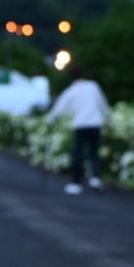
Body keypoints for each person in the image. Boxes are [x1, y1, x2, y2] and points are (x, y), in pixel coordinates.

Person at [45, 63, 109, 195]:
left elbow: (60, 107)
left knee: (78, 154)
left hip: (81, 124)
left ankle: (76, 183)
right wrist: (108, 119)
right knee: (94, 151)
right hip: (95, 123)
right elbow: (102, 103)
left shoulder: (71, 91)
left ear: (70, 77)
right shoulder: (92, 86)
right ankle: (95, 178)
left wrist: (50, 120)